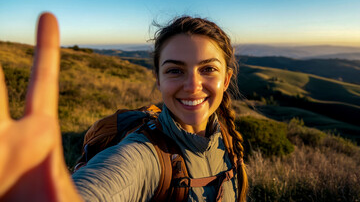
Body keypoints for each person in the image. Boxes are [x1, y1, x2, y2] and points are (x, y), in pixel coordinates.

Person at [0, 13, 248, 201]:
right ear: (158, 80)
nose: (193, 85)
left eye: (208, 69)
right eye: (175, 70)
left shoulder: (225, 139)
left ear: (226, 79)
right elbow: (102, 185)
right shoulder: (144, 155)